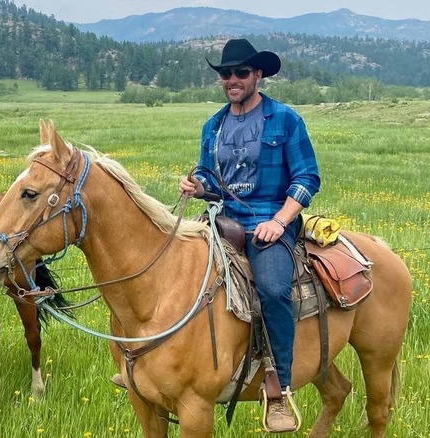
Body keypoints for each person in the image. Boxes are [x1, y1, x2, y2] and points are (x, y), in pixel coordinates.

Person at [179, 39, 320, 433]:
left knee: (273, 289)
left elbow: (308, 178)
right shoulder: (214, 125)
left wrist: (280, 220)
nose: (232, 80)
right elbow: (211, 178)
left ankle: (278, 390)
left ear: (258, 74)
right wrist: (197, 186)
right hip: (222, 220)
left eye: (241, 72)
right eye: (226, 73)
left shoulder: (285, 119)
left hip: (269, 223)